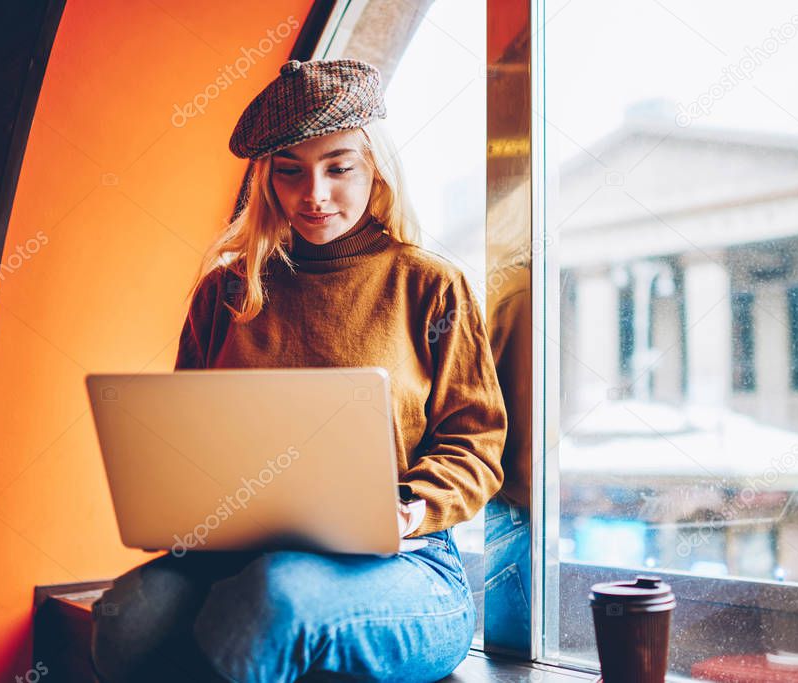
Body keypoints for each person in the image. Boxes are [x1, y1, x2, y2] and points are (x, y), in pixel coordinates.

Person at [90, 58, 508, 683]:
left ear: (377, 169)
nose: (313, 195)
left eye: (339, 168)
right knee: (127, 615)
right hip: (238, 558)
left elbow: (476, 445)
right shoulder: (227, 291)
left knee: (275, 595)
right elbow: (182, 442)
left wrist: (406, 506)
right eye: (290, 172)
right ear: (268, 180)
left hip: (407, 566)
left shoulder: (428, 284)